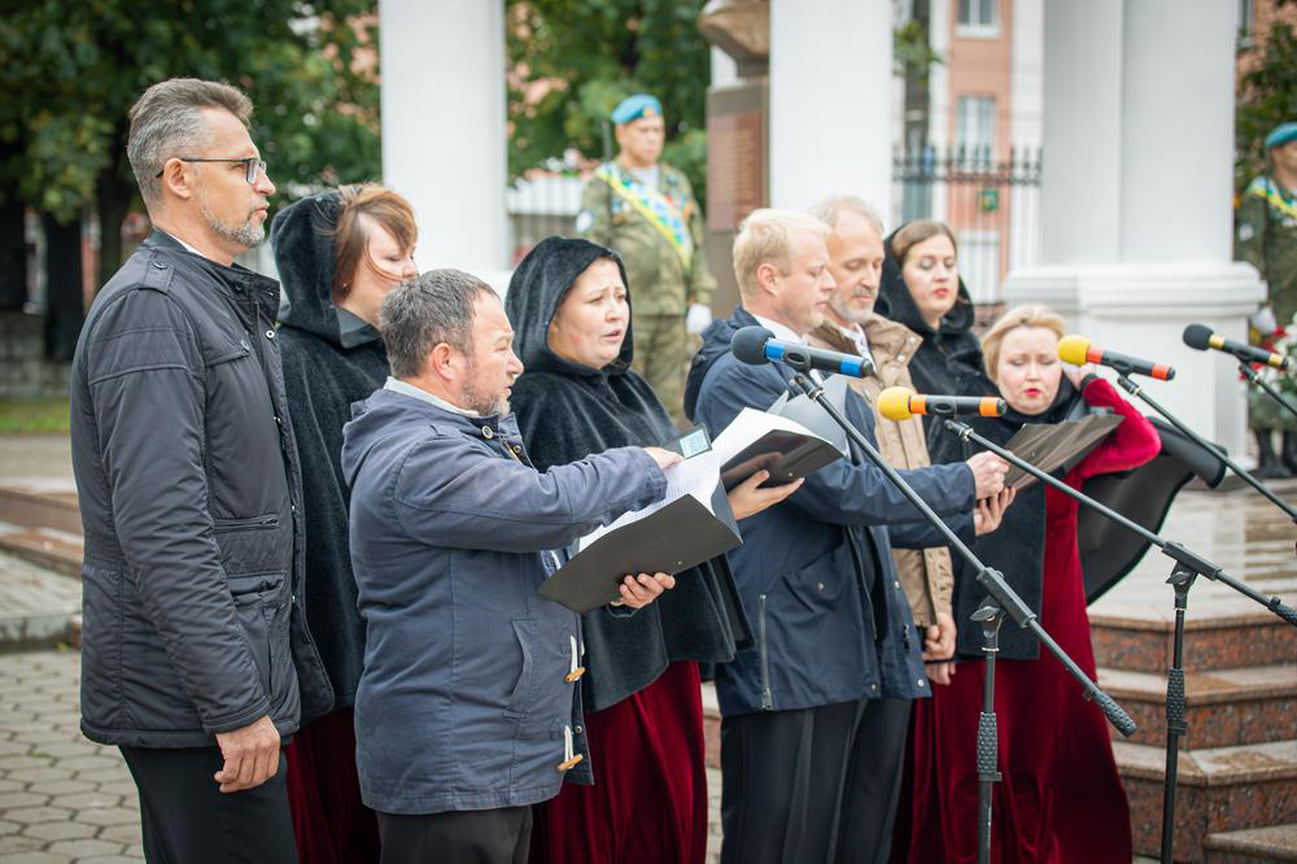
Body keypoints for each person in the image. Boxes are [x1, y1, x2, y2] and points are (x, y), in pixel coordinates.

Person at [684, 209, 1012, 864]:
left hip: (840, 618)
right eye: (817, 271)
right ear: (769, 278)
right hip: (787, 629)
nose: (832, 284)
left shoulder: (809, 360)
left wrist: (956, 517)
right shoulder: (742, 370)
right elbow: (833, 492)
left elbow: (864, 494)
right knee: (782, 832)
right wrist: (956, 482)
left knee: (842, 832)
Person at [69, 77, 332, 863]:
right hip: (198, 701)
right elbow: (162, 530)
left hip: (216, 682)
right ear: (179, 177)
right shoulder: (152, 309)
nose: (267, 186)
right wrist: (233, 704)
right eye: (246, 167)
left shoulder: (210, 297)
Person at [341, 269, 683, 864]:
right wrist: (644, 464)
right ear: (446, 360)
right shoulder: (420, 454)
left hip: (482, 753)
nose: (516, 362)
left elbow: (524, 559)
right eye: (501, 345)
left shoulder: (457, 435)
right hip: (453, 761)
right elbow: (547, 506)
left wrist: (617, 586)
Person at [505, 236, 800, 864]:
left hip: (666, 638)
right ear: (548, 311)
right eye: (596, 299)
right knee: (617, 828)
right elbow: (558, 533)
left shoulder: (630, 388)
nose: (617, 312)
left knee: (673, 820)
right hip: (603, 661)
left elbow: (667, 491)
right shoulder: (535, 401)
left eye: (621, 297)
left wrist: (723, 493)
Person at [897, 305, 1160, 864]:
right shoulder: (963, 431)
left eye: (1046, 361)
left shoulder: (1067, 437)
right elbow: (933, 537)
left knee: (1046, 757)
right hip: (976, 623)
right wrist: (937, 622)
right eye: (1017, 362)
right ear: (995, 369)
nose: (1032, 374)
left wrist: (1089, 375)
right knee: (973, 767)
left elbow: (1142, 444)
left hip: (1052, 620)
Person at [272, 184, 419, 863]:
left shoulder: (393, 358)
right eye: (392, 257)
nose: (410, 270)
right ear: (338, 271)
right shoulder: (295, 362)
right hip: (350, 651)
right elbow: (323, 523)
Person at [807, 196, 964, 688]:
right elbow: (856, 492)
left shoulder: (889, 349)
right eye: (854, 264)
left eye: (876, 264)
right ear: (819, 268)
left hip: (908, 606)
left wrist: (938, 604)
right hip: (861, 606)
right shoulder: (809, 356)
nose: (870, 278)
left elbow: (911, 471)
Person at [576, 93, 715, 425]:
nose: (653, 137)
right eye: (643, 130)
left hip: (673, 311)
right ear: (622, 133)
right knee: (622, 396)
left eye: (657, 129)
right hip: (626, 311)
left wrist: (702, 297)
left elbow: (695, 242)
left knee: (670, 401)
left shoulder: (675, 182)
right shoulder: (605, 185)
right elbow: (590, 250)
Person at [876, 220, 984, 465]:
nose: (942, 275)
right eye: (926, 265)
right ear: (898, 277)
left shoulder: (967, 343)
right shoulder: (891, 346)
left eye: (949, 264)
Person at [1236, 121, 1297, 477]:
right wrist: (1257, 301)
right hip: (1272, 303)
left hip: (1296, 306)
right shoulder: (1262, 193)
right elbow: (1251, 248)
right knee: (1264, 374)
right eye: (1292, 148)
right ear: (1276, 153)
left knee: (1293, 376)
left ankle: (1290, 449)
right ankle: (1265, 452)